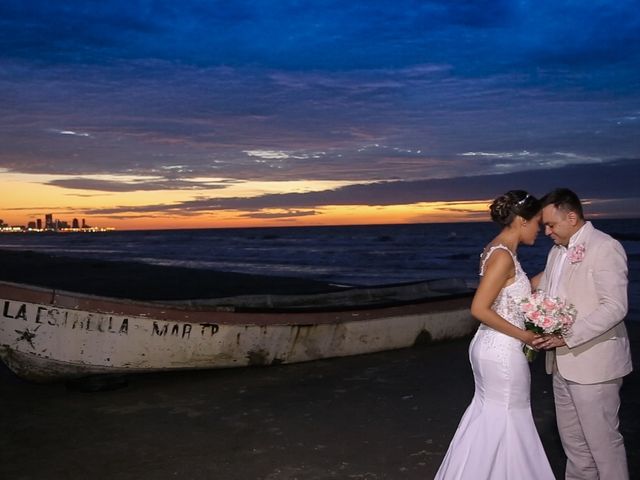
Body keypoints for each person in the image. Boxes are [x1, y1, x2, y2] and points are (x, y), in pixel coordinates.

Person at [434, 190, 554, 480]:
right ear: (522, 221)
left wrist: (559, 269)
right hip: (502, 351)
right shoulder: (502, 256)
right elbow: (479, 307)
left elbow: (515, 293)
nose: (540, 229)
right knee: (509, 418)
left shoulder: (500, 251)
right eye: (537, 222)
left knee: (491, 418)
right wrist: (524, 336)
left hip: (490, 346)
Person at [532, 188, 632, 480]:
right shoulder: (556, 252)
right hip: (561, 365)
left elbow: (615, 307)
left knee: (604, 447)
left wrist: (567, 336)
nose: (547, 231)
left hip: (595, 365)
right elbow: (545, 289)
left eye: (551, 224)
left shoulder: (605, 247)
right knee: (574, 447)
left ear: (572, 217)